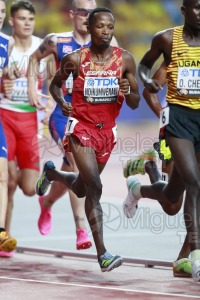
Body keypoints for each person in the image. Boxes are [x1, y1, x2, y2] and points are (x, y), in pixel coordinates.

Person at [35, 7, 140, 271]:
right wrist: (61, 102)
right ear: (90, 29)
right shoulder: (74, 59)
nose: (106, 32)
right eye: (100, 27)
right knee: (95, 186)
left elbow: (136, 103)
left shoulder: (125, 59)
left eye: (110, 27)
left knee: (82, 187)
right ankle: (103, 254)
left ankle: (52, 174)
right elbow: (55, 85)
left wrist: (128, 93)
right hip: (80, 128)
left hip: (107, 133)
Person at [28, 0, 118, 250]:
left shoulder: (107, 41)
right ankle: (81, 229)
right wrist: (32, 90)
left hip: (92, 116)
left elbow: (119, 73)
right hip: (63, 113)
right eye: (82, 12)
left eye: (91, 13)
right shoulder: (56, 41)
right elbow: (34, 59)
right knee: (79, 166)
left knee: (74, 172)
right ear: (72, 14)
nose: (86, 17)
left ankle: (46, 202)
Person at [124, 0, 200, 281]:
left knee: (173, 201)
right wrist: (162, 110)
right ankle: (195, 256)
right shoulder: (170, 45)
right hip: (177, 125)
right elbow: (147, 83)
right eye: (197, 8)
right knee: (184, 193)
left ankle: (184, 257)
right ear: (184, 10)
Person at [123, 62, 192, 278]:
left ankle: (183, 260)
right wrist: (168, 120)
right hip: (177, 132)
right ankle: (148, 168)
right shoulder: (178, 52)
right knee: (172, 205)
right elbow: (148, 92)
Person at [0, 0, 51, 257]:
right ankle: (4, 237)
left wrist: (50, 106)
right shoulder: (5, 45)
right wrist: (2, 84)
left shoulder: (42, 47)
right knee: (6, 182)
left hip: (31, 121)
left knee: (29, 188)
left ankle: (44, 199)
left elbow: (53, 81)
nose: (27, 23)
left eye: (30, 19)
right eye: (21, 19)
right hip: (5, 116)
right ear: (12, 21)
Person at [0, 0, 17, 257]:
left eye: (2, 11)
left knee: (3, 176)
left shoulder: (6, 43)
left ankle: (1, 232)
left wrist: (7, 81)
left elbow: (4, 80)